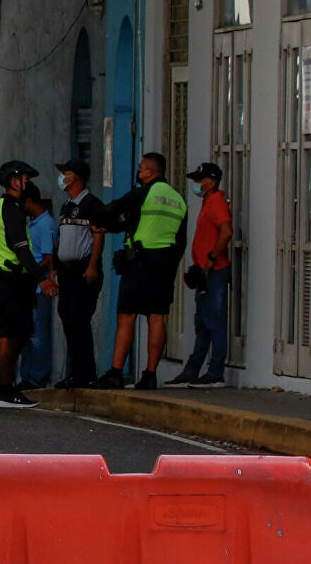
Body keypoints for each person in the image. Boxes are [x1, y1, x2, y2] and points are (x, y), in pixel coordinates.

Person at [94, 151, 188, 391]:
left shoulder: (143, 193)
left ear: (148, 171)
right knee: (157, 317)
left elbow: (113, 209)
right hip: (165, 264)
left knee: (127, 316)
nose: (138, 172)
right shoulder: (178, 200)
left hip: (139, 263)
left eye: (140, 168)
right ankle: (150, 375)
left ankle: (116, 372)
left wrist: (99, 220)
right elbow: (180, 241)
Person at [171, 162, 234, 388]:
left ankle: (215, 372)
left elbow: (226, 232)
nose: (196, 184)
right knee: (203, 324)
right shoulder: (208, 202)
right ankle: (192, 371)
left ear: (211, 182)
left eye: (199, 180)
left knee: (214, 322)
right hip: (205, 272)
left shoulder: (216, 202)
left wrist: (211, 257)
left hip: (214, 271)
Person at [0, 161, 40, 408]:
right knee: (12, 335)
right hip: (10, 279)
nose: (28, 182)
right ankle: (7, 389)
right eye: (24, 177)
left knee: (17, 332)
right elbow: (22, 250)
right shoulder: (13, 210)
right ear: (12, 180)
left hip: (2, 279)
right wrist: (43, 278)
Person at [51, 157, 107, 388]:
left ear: (75, 176)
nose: (62, 177)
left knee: (79, 321)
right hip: (67, 273)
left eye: (65, 173)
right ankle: (75, 372)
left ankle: (85, 374)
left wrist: (93, 266)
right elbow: (61, 239)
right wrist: (54, 268)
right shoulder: (66, 205)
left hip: (84, 271)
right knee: (68, 320)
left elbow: (98, 236)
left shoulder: (92, 204)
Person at [21, 184, 57, 389]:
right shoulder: (33, 223)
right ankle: (27, 376)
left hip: (39, 288)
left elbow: (48, 258)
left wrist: (32, 270)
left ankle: (37, 376)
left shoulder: (46, 224)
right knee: (28, 335)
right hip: (30, 286)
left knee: (39, 335)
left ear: (29, 200)